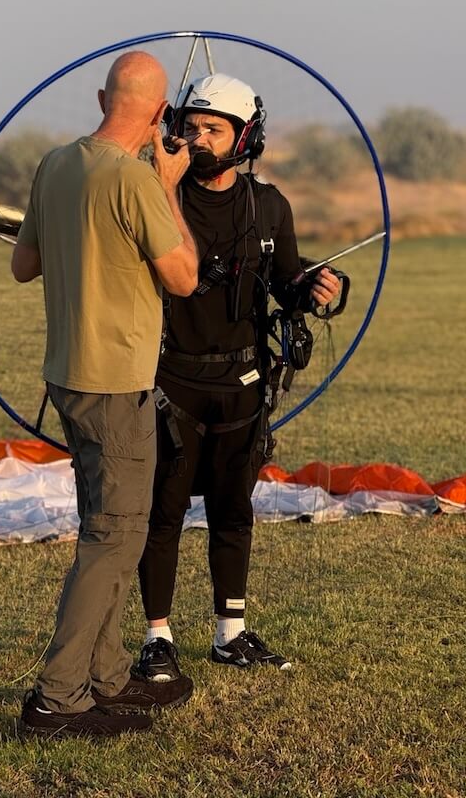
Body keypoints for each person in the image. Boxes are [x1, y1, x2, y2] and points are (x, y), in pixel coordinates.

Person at [11, 51, 199, 738]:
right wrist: (170, 185)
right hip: (115, 383)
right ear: (157, 114)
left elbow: (21, 264)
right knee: (112, 538)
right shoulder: (137, 180)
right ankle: (56, 700)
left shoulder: (57, 165)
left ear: (101, 97)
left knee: (109, 529)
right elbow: (183, 277)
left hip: (67, 375)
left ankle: (108, 677)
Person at [135, 73, 342, 682]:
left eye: (213, 129)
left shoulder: (269, 205)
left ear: (244, 136)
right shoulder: (156, 196)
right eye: (190, 126)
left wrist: (315, 287)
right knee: (163, 511)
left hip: (244, 386)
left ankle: (231, 633)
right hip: (170, 379)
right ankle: (157, 639)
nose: (198, 138)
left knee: (233, 510)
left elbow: (286, 281)